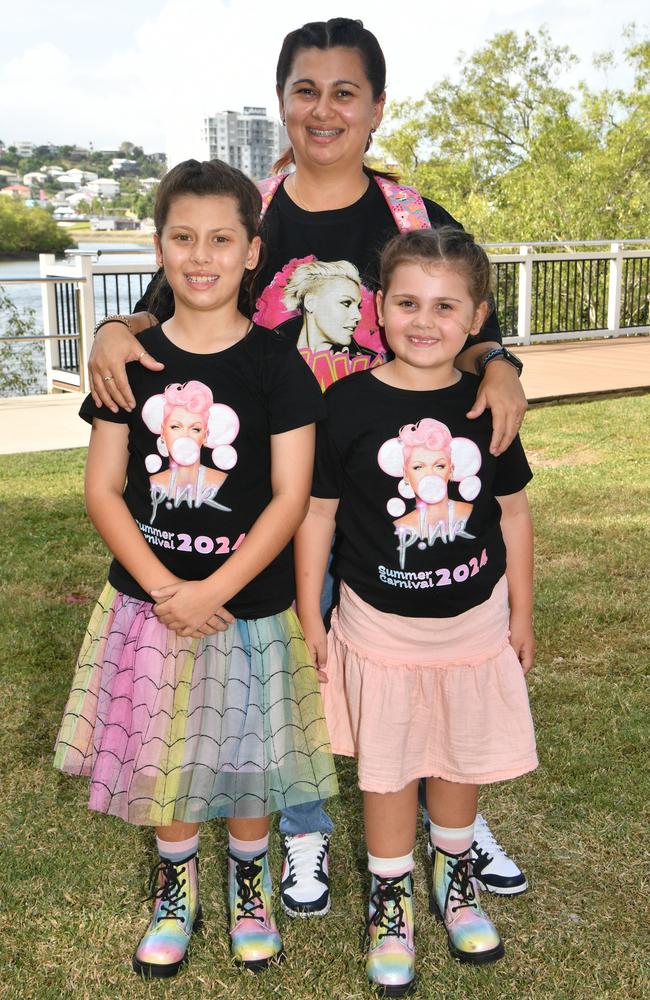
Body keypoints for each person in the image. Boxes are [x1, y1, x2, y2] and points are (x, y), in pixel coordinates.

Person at [86, 17, 529, 920]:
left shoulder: (411, 217)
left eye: (344, 92)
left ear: (374, 106)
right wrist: (105, 329)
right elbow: (155, 314)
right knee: (291, 662)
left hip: (381, 483)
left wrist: (502, 363)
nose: (323, 109)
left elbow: (470, 314)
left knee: (412, 646)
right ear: (282, 99)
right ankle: (301, 825)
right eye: (305, 90)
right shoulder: (249, 210)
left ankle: (453, 810)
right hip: (268, 488)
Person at [53, 158, 338, 979]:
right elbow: (104, 490)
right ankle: (175, 892)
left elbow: (289, 498)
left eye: (221, 238)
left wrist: (214, 588)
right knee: (167, 758)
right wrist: (168, 588)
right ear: (159, 246)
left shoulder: (279, 366)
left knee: (247, 757)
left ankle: (250, 887)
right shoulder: (128, 366)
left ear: (253, 251)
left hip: (248, 607)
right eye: (183, 237)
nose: (201, 255)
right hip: (148, 606)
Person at [294, 227, 537, 995]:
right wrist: (311, 613)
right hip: (378, 628)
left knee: (460, 756)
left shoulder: (485, 402)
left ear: (477, 318)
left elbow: (516, 515)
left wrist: (522, 616)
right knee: (390, 768)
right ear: (377, 308)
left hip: (474, 626)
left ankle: (454, 876)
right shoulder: (348, 404)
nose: (423, 320)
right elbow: (319, 516)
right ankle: (391, 899)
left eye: (444, 305)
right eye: (406, 302)